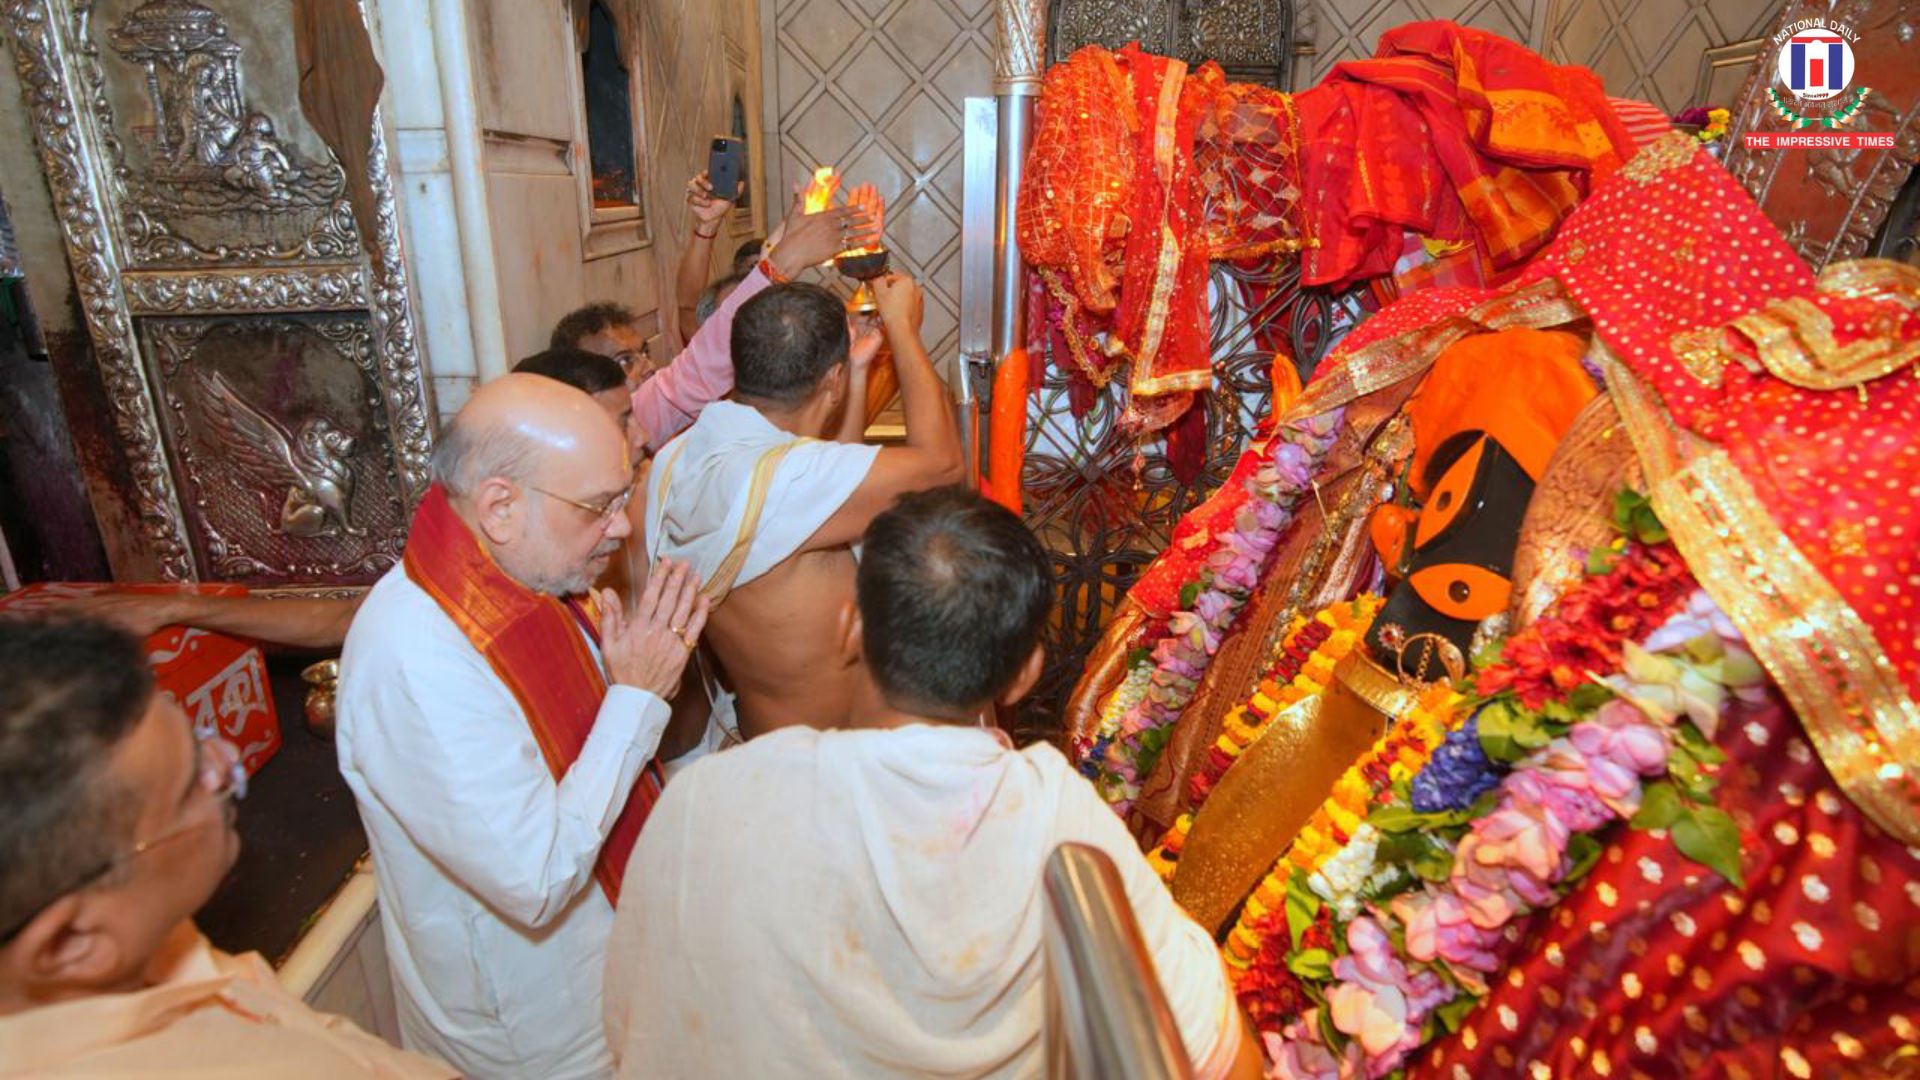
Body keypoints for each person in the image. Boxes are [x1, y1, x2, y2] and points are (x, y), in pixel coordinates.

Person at [605, 488, 1260, 1078]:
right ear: (1025, 675)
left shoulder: (714, 798)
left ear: (850, 630)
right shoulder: (1060, 821)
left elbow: (636, 1021)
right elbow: (1222, 1056)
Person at [335, 374, 710, 1079]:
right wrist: (634, 700)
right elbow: (535, 877)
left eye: (623, 496)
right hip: (537, 1034)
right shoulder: (414, 659)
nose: (622, 526)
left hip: (612, 964)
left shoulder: (521, 577)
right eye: (599, 506)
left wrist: (620, 681)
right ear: (501, 507)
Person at [0, 615, 452, 1077]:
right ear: (70, 943)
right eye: (190, 785)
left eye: (196, 738)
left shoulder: (134, 938)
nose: (228, 758)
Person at [644, 274, 962, 736]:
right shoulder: (788, 480)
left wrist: (855, 372)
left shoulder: (684, 455)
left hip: (768, 734)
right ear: (830, 379)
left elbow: (831, 486)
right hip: (825, 751)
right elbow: (942, 467)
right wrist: (903, 328)